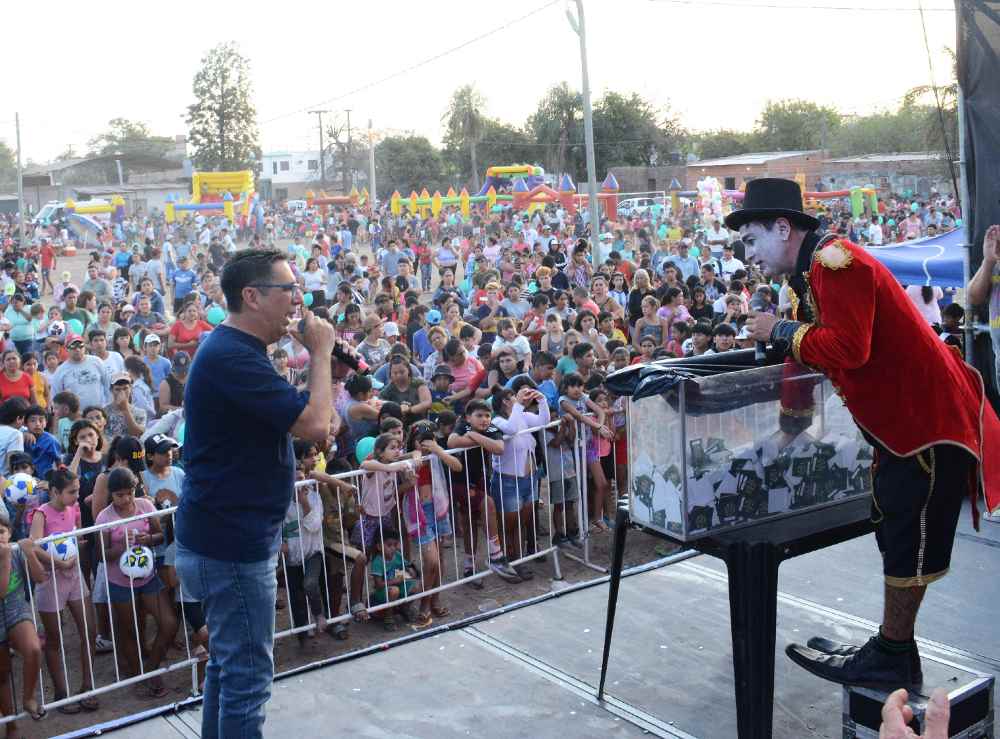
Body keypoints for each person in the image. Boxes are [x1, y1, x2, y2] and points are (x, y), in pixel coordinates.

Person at [739, 178, 1000, 690]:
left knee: (909, 540)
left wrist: (780, 332)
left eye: (751, 240)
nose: (747, 255)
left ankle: (892, 654)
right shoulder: (812, 277)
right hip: (906, 427)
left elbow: (849, 348)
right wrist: (784, 435)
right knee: (896, 530)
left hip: (928, 425)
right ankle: (892, 646)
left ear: (783, 228)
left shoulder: (837, 263)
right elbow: (807, 361)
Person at [175, 249, 337, 738]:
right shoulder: (231, 357)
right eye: (289, 290)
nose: (298, 300)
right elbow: (314, 425)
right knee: (247, 681)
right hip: (231, 543)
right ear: (251, 295)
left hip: (229, 536)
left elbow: (318, 423)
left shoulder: (239, 353)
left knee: (228, 670)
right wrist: (323, 353)